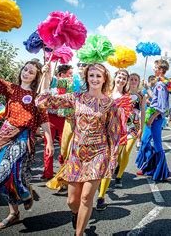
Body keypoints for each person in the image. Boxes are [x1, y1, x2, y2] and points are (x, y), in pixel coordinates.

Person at [36, 63, 124, 235]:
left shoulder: (110, 104)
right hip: (76, 155)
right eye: (91, 75)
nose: (95, 79)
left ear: (105, 78)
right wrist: (46, 78)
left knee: (86, 198)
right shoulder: (76, 97)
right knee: (72, 200)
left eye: (99, 76)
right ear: (86, 78)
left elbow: (114, 134)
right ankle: (75, 214)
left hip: (98, 155)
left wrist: (112, 159)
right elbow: (42, 102)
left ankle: (79, 233)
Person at [0, 40, 54, 229]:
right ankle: (14, 212)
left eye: (32, 71)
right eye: (25, 68)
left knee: (9, 172)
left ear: (36, 77)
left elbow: (44, 118)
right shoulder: (11, 88)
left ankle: (24, 192)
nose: (26, 72)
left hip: (23, 138)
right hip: (5, 134)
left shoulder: (38, 97)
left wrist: (48, 141)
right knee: (1, 176)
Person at [97, 69, 132, 211]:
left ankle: (101, 197)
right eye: (120, 76)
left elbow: (126, 117)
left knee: (110, 165)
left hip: (119, 134)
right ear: (115, 77)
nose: (121, 80)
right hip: (100, 133)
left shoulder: (127, 98)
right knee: (99, 163)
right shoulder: (105, 93)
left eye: (124, 78)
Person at [135, 59, 171, 181]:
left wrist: (152, 117)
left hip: (155, 118)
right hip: (155, 116)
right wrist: (147, 88)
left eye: (155, 67)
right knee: (147, 141)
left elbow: (161, 106)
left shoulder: (161, 85)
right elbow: (156, 98)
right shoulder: (159, 83)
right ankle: (152, 168)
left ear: (161, 70)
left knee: (151, 142)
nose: (153, 69)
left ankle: (162, 172)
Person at [41, 64, 74, 180]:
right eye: (70, 74)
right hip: (50, 119)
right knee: (48, 145)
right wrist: (46, 71)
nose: (72, 76)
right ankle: (47, 172)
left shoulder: (71, 87)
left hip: (65, 120)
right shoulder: (52, 85)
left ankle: (63, 172)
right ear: (61, 75)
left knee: (64, 147)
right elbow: (48, 81)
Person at [115, 73, 145, 184]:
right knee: (118, 152)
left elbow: (142, 112)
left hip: (134, 127)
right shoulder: (123, 93)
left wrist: (142, 128)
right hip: (121, 126)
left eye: (135, 79)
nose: (133, 81)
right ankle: (119, 164)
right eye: (131, 79)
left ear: (138, 82)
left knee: (126, 152)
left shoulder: (141, 96)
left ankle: (119, 176)